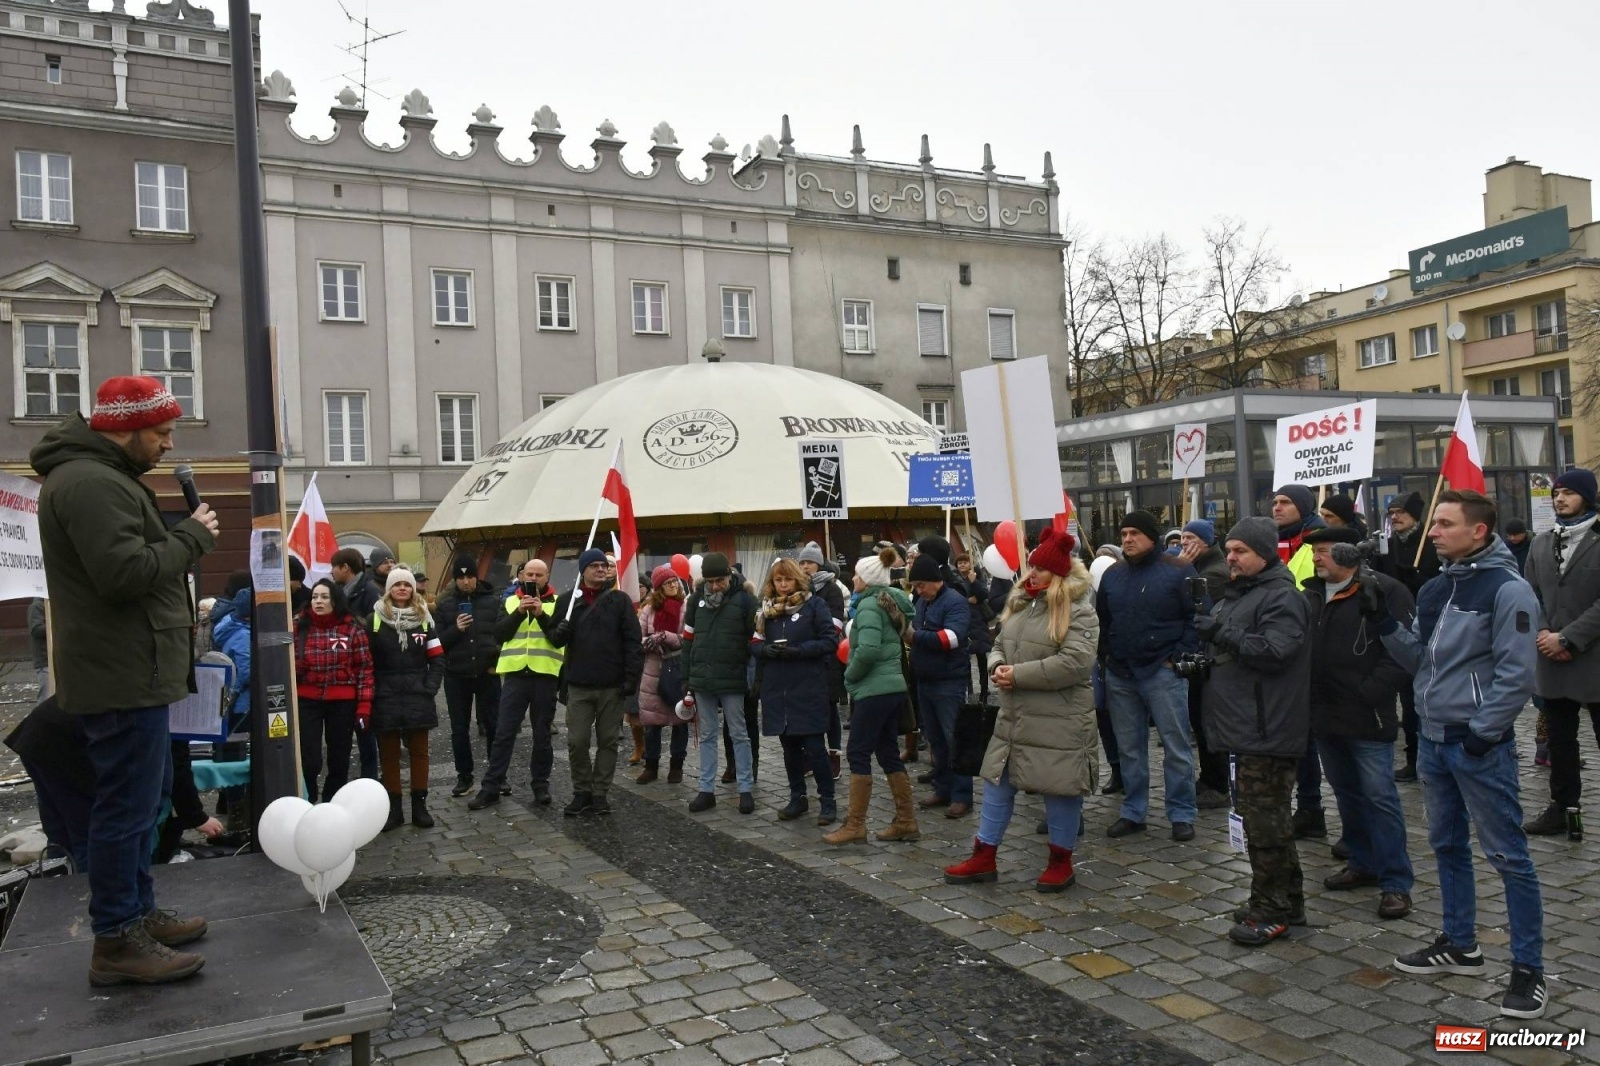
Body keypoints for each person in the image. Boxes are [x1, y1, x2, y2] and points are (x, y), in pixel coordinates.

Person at [30, 375, 217, 985]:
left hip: (132, 669)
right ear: (126, 428)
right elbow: (124, 573)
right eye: (160, 433)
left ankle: (136, 915)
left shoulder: (102, 478)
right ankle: (115, 939)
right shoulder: (89, 483)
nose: (167, 445)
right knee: (125, 810)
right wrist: (191, 536)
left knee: (143, 804)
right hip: (121, 674)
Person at [1378, 489, 1547, 1019]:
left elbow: (1517, 672)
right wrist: (1383, 623)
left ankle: (1528, 969)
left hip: (1477, 745)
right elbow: (1420, 661)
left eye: (1445, 523)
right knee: (1446, 844)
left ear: (1478, 531)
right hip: (1433, 738)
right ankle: (1459, 943)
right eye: (1435, 524)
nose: (1433, 531)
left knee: (1508, 856)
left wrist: (1483, 732)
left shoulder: (1508, 589)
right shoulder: (1436, 587)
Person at [943, 529, 1098, 891]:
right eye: (1031, 567)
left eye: (1041, 569)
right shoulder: (1020, 603)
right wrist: (998, 665)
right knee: (997, 782)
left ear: (1058, 574)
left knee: (1060, 788)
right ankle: (984, 855)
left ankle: (1061, 860)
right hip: (1015, 716)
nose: (1032, 574)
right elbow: (1000, 641)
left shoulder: (1080, 611)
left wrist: (1019, 675)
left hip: (1059, 718)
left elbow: (1076, 663)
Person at [1195, 517, 1312, 946]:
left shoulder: (1282, 597)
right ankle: (1288, 900)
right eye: (1229, 550)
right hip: (1244, 724)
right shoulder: (1242, 594)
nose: (1231, 558)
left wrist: (1221, 632)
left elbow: (1275, 650)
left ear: (1264, 553)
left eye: (1240, 551)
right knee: (1269, 820)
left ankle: (1272, 909)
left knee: (1265, 824)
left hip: (1268, 727)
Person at [1300, 527, 1416, 920]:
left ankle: (1396, 882)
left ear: (1350, 554)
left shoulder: (1384, 591)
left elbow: (1403, 652)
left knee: (1380, 797)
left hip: (1368, 714)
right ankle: (1363, 862)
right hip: (1325, 715)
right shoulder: (1311, 593)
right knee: (1346, 794)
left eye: (1326, 550)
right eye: (1315, 550)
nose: (1317, 557)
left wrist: (1370, 690)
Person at [1096, 509, 1202, 841]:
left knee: (1176, 746)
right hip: (1121, 672)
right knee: (1129, 747)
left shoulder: (1180, 570)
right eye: (1124, 533)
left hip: (1162, 671)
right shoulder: (1113, 574)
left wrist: (1176, 657)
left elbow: (1198, 617)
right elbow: (1104, 620)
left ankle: (1182, 812)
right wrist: (1106, 657)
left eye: (1134, 534)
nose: (1127, 539)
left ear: (1151, 537)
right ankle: (1133, 810)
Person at [1522, 468, 1600, 837]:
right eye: (1556, 493)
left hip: (1593, 658)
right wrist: (1543, 633)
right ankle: (1562, 806)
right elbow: (1529, 593)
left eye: (1568, 493)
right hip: (1550, 658)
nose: (1560, 499)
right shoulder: (1541, 542)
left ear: (1587, 496)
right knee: (1560, 741)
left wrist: (1567, 638)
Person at [826, 547, 921, 844]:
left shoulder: (868, 607)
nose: (852, 578)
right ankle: (906, 821)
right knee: (888, 752)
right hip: (891, 687)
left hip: (874, 689)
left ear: (866, 579)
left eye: (856, 574)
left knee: (857, 752)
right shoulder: (889, 602)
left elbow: (867, 650)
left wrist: (849, 676)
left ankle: (855, 825)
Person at [542, 548, 643, 817]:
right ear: (583, 570)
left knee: (608, 741)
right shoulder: (568, 602)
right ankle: (581, 791)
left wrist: (631, 680)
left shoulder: (620, 601)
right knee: (577, 741)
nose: (601, 569)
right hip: (578, 685)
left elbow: (634, 643)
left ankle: (600, 793)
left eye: (604, 565)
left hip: (612, 685)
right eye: (595, 566)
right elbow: (553, 638)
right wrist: (559, 630)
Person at [470, 558, 563, 808]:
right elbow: (500, 634)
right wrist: (520, 612)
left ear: (547, 577)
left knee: (542, 735)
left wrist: (540, 613)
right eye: (529, 574)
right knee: (504, 733)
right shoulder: (510, 601)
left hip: (544, 675)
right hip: (515, 676)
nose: (533, 579)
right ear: (522, 576)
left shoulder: (558, 603)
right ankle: (492, 786)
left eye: (538, 575)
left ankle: (540, 785)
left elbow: (558, 638)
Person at [754, 558, 840, 823]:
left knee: (815, 747)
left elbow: (829, 641)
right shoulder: (766, 611)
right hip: (778, 688)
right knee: (789, 747)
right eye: (778, 580)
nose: (782, 585)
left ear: (797, 580)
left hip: (807, 685)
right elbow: (754, 642)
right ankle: (797, 797)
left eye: (787, 580)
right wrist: (763, 650)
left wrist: (799, 651)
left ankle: (828, 801)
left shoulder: (815, 605)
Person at [1272, 483, 1330, 839]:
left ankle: (1311, 806)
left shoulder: (1319, 540)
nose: (1277, 508)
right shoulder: (1275, 540)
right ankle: (1304, 806)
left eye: (1285, 502)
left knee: (1310, 738)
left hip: (1312, 647)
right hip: (1283, 648)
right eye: (1274, 502)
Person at [682, 552, 758, 814]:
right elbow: (688, 640)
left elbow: (754, 640)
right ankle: (706, 790)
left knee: (739, 733)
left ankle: (746, 789)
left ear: (729, 576)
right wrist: (686, 676)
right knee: (707, 735)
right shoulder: (695, 600)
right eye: (711, 581)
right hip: (702, 678)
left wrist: (751, 676)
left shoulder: (745, 600)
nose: (715, 586)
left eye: (720, 580)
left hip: (734, 677)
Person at [369, 568, 445, 831]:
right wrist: (374, 690)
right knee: (388, 755)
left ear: (413, 589)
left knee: (419, 753)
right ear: (388, 589)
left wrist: (430, 687)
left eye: (407, 584)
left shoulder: (425, 620)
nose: (402, 588)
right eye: (397, 584)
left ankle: (420, 807)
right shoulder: (374, 620)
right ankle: (394, 809)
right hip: (385, 695)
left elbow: (437, 658)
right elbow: (367, 661)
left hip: (417, 694)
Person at [907, 550, 975, 819]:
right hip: (926, 680)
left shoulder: (955, 602)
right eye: (915, 586)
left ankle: (962, 796)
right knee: (937, 740)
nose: (918, 590)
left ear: (934, 580)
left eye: (920, 585)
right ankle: (943, 787)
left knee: (954, 738)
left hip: (949, 682)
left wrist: (916, 636)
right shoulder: (924, 602)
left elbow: (951, 639)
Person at [295, 578, 374, 802]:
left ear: (335, 600)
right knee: (309, 759)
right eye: (315, 597)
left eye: (324, 597)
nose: (318, 601)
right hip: (307, 700)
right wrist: (296, 665)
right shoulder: (298, 627)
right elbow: (283, 665)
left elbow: (364, 669)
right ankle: (308, 799)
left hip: (342, 702)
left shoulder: (353, 629)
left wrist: (364, 706)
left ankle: (332, 801)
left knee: (339, 757)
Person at [436, 557, 504, 798]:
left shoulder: (493, 601)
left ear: (477, 576)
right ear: (455, 580)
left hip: (487, 674)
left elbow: (502, 636)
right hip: (457, 675)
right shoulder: (445, 606)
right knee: (459, 729)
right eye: (461, 577)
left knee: (495, 726)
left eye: (469, 576)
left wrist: (496, 662)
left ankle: (497, 776)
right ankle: (464, 776)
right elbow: (439, 643)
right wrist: (456, 629)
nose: (465, 581)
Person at [1382, 491, 1439, 783]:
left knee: (1415, 697)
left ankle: (1420, 757)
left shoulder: (1430, 544)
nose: (1395, 517)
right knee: (1400, 695)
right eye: (1392, 512)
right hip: (1396, 625)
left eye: (1401, 512)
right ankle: (1411, 756)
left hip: (1426, 625)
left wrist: (1422, 581)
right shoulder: (1388, 546)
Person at [1175, 519, 1231, 809]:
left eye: (1190, 538)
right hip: (1198, 657)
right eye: (1182, 537)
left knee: (1207, 722)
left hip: (1210, 659)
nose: (1184, 543)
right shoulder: (1198, 566)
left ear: (1206, 542)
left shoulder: (1216, 572)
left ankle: (1218, 783)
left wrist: (1180, 569)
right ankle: (1209, 778)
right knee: (1199, 720)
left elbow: (1186, 603)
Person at [330, 546, 381, 780]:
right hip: (344, 669)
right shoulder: (339, 591)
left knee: (365, 730)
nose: (331, 572)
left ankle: (370, 777)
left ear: (345, 568)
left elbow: (375, 627)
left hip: (363, 666)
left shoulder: (368, 590)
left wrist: (351, 624)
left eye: (334, 567)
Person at [636, 565, 688, 786]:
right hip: (653, 670)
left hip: (677, 667)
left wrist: (665, 636)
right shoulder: (648, 609)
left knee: (680, 721)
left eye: (675, 581)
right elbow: (638, 638)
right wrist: (648, 642)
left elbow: (687, 638)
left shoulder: (685, 607)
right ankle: (651, 766)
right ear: (658, 587)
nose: (673, 585)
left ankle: (676, 766)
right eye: (668, 583)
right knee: (652, 723)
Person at [797, 541, 848, 770]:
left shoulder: (832, 589)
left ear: (818, 564)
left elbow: (834, 625)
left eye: (809, 562)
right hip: (804, 659)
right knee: (807, 710)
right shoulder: (797, 589)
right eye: (803, 562)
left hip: (827, 658)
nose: (805, 566)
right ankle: (810, 756)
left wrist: (809, 633)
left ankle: (834, 754)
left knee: (829, 709)